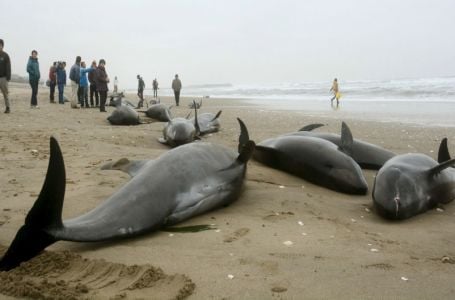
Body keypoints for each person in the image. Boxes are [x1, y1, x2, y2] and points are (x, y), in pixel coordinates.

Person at [0, 39, 11, 113]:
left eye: (0, 45)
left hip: (3, 78)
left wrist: (8, 77)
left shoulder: (5, 55)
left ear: (2, 46)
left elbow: (8, 67)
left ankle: (8, 107)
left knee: (5, 93)